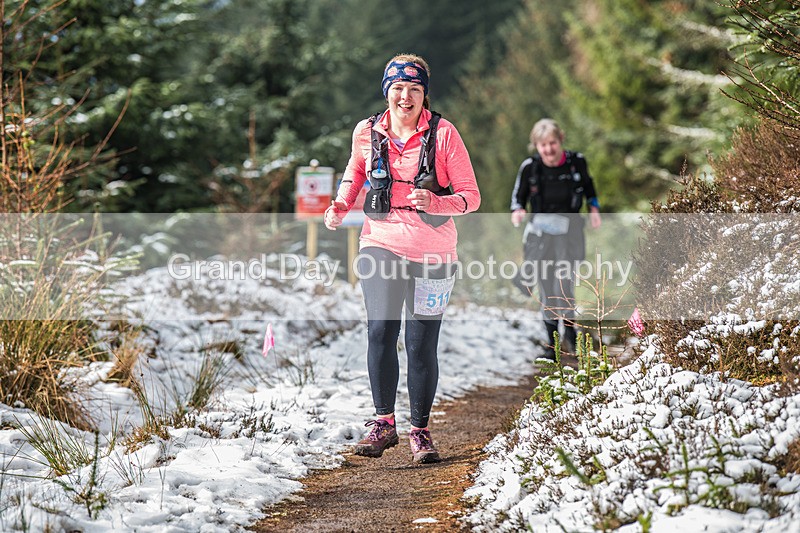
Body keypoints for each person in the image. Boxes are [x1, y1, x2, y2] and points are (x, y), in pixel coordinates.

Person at [324, 53, 481, 463]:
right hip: (380, 242)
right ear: (387, 91)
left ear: (424, 95)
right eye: (397, 88)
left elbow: (472, 197)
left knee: (420, 343)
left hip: (434, 252)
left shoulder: (444, 134)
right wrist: (340, 204)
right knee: (380, 330)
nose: (405, 97)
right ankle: (383, 423)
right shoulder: (367, 131)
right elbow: (354, 173)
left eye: (414, 89)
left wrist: (437, 201)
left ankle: (420, 431)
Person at [510, 118, 601, 359]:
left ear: (560, 140)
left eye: (552, 143)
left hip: (570, 233)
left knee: (564, 284)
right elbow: (518, 196)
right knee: (546, 287)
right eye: (543, 145)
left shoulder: (576, 162)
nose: (549, 149)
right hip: (540, 236)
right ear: (536, 146)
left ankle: (571, 335)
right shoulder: (530, 168)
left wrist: (594, 209)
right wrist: (518, 210)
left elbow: (589, 187)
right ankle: (552, 346)